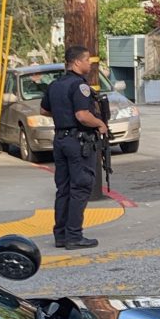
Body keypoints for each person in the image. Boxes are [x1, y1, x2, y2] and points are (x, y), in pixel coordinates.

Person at [40, 45, 107, 250]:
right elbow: (82, 115)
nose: (89, 64)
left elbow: (44, 110)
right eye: (87, 60)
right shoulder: (79, 86)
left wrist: (63, 117)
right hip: (78, 142)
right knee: (80, 187)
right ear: (77, 62)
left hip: (60, 140)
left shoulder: (55, 84)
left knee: (64, 189)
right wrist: (100, 124)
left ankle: (60, 235)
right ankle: (74, 236)